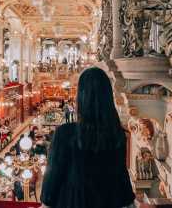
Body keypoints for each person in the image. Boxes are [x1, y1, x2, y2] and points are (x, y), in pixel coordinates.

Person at [40, 67, 135, 208]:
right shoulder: (117, 135)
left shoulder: (65, 134)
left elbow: (50, 186)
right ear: (108, 98)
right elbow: (121, 180)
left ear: (81, 97)